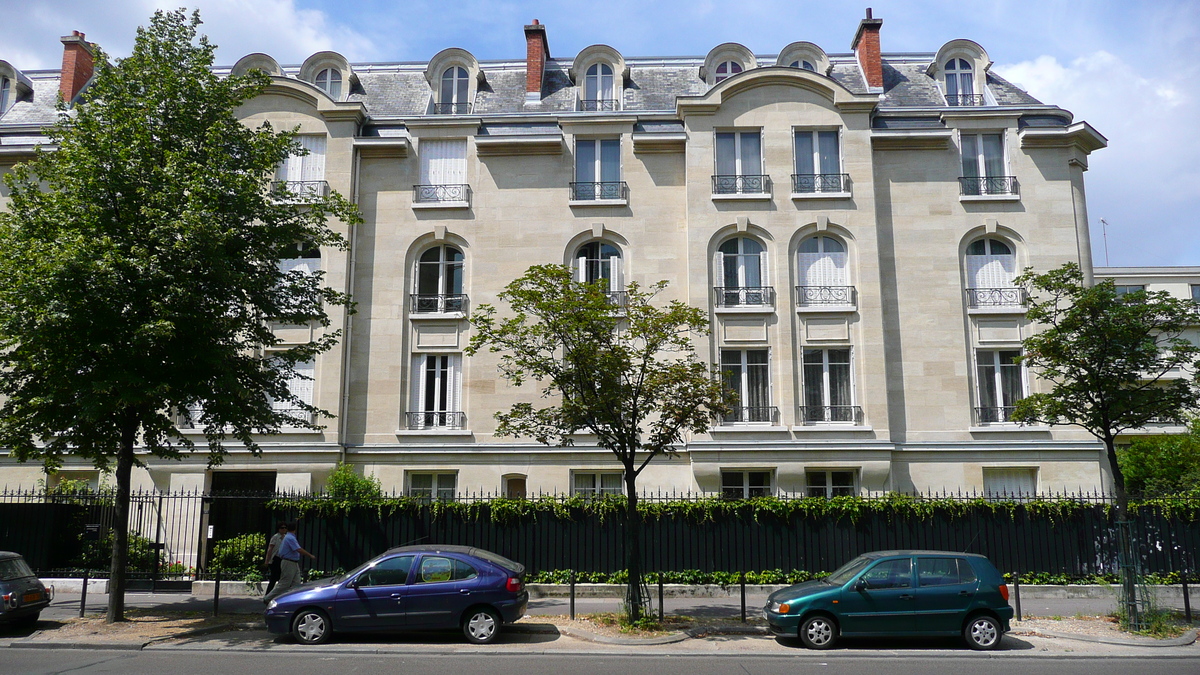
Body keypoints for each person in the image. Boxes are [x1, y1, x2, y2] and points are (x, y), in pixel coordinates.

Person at [263, 522, 315, 604]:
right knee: (285, 582)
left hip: (293, 562)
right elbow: (298, 549)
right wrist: (310, 555)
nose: (283, 529)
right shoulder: (290, 538)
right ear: (295, 529)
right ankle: (268, 598)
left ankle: (294, 599)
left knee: (296, 582)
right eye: (282, 528)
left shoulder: (288, 537)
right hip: (288, 562)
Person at [262, 522, 287, 596]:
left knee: (281, 579)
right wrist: (267, 561)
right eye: (282, 528)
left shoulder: (286, 537)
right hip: (275, 559)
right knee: (273, 579)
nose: (284, 529)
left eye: (285, 528)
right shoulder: (275, 537)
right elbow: (270, 549)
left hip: (283, 559)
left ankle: (278, 594)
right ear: (278, 529)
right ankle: (268, 594)